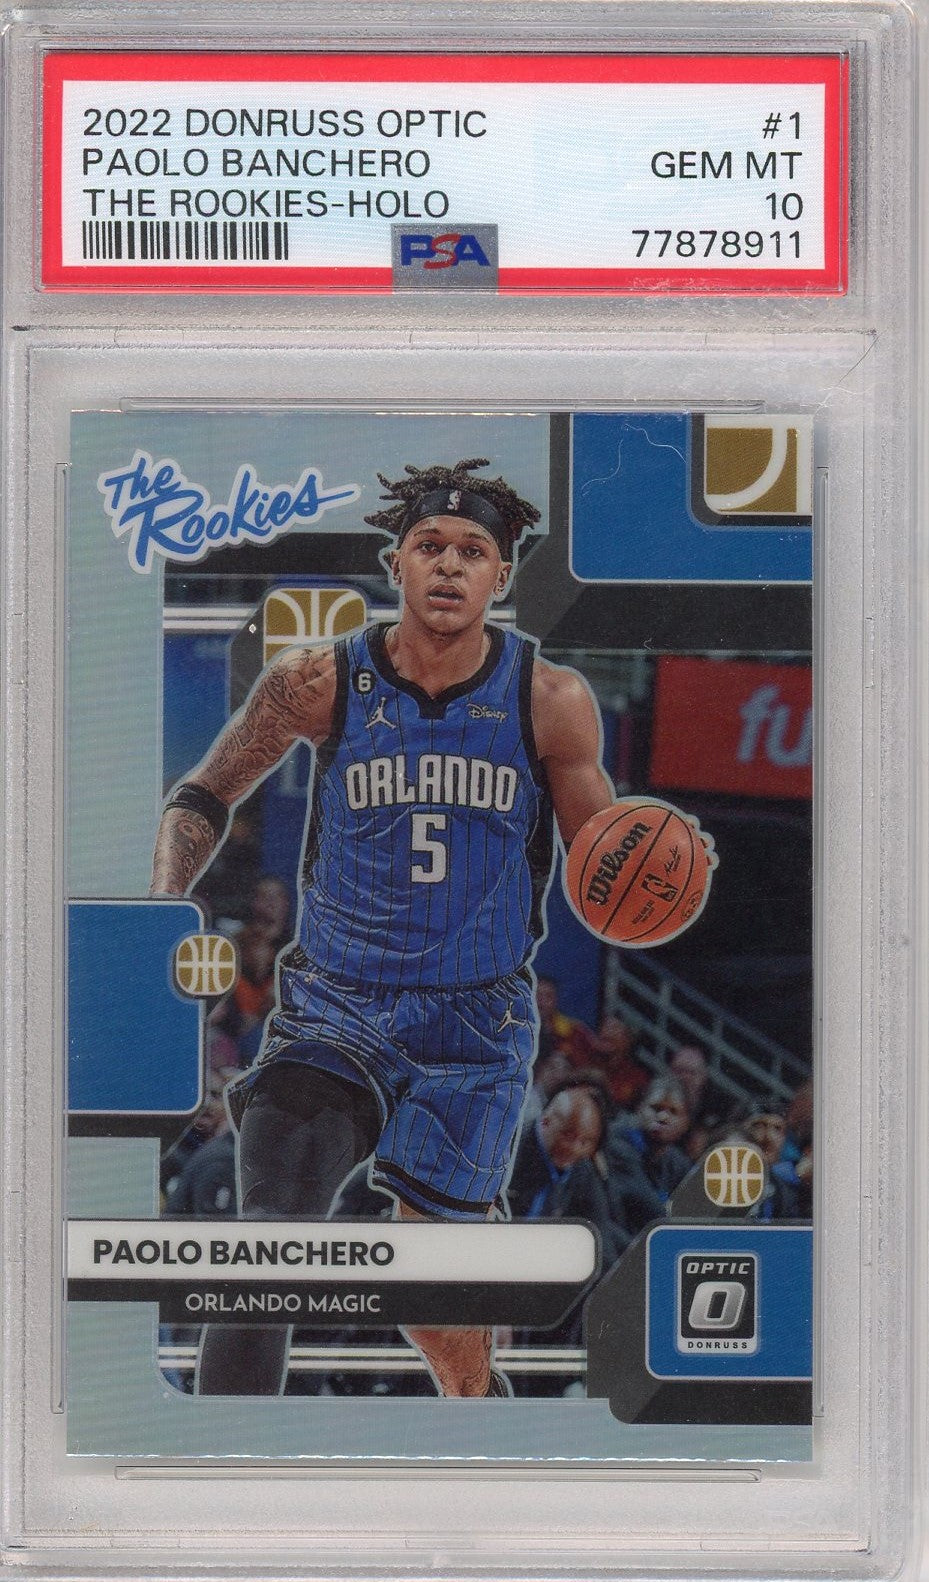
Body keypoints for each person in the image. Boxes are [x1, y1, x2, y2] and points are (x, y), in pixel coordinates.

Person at [150, 457, 616, 1399]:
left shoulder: (548, 699)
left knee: (429, 1300)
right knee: (269, 1242)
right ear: (394, 564)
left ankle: (478, 1410)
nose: (448, 565)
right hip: (337, 1008)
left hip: (471, 1030)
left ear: (501, 575)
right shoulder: (318, 680)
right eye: (429, 545)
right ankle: (223, 1462)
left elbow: (607, 869)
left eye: (472, 551)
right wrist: (158, 911)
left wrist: (657, 865)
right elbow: (200, 794)